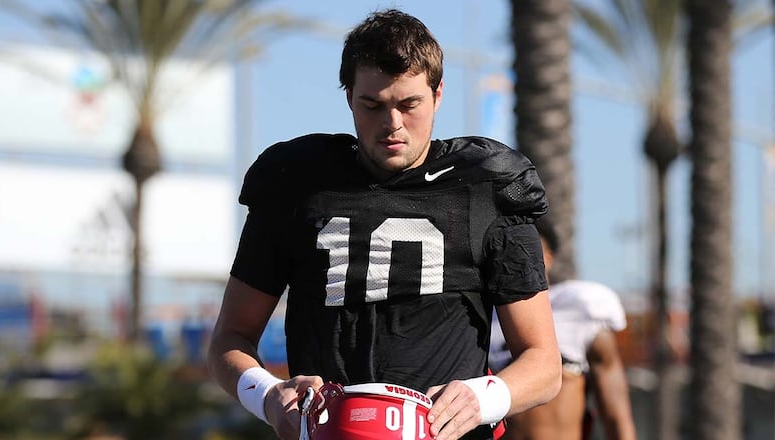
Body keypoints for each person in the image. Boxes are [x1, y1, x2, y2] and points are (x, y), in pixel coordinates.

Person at [207, 9, 561, 440]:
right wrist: (267, 394)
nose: (392, 124)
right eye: (372, 105)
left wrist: (481, 398)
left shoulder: (485, 185)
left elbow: (543, 364)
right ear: (348, 97)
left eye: (409, 104)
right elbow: (231, 336)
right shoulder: (296, 185)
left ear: (438, 94)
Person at [489, 216, 637, 440]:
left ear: (547, 258)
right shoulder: (483, 319)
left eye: (525, 250)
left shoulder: (580, 309)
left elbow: (616, 415)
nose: (515, 259)